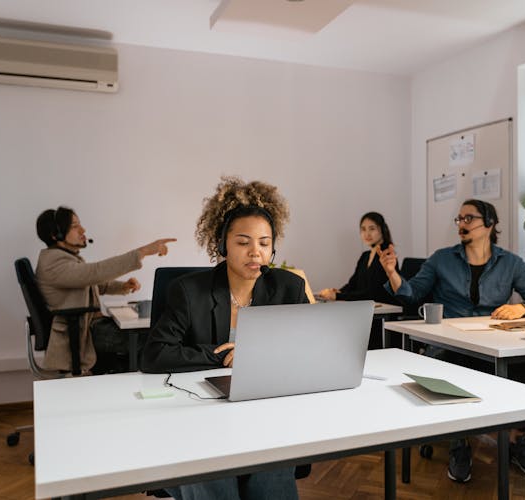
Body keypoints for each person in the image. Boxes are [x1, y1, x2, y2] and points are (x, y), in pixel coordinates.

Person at [142, 176, 306, 500]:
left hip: (262, 417)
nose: (255, 252)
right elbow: (154, 355)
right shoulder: (189, 291)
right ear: (222, 245)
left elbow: (308, 349)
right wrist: (222, 355)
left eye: (264, 242)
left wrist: (258, 356)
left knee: (270, 474)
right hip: (197, 418)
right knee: (212, 476)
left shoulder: (288, 288)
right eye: (243, 242)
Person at [378, 199, 525, 483]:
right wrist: (392, 273)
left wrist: (523, 308)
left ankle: (517, 440)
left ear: (489, 223)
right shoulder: (442, 259)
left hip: (494, 341)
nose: (461, 224)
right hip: (448, 342)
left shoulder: (511, 263)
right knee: (452, 366)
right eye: (459, 219)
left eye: (469, 218)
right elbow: (411, 293)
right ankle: (459, 443)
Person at [35, 206, 175, 375]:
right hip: (84, 333)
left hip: (89, 327)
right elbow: (94, 272)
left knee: (155, 333)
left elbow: (91, 282)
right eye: (75, 226)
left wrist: (122, 286)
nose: (83, 230)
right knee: (155, 337)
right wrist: (143, 252)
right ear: (55, 235)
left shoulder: (63, 258)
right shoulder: (53, 262)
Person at [316, 211, 400, 305]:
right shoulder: (365, 256)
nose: (367, 234)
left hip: (385, 309)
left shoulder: (386, 256)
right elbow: (353, 284)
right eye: (363, 229)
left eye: (372, 229)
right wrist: (337, 292)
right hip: (366, 307)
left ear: (382, 230)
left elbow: (373, 293)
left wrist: (338, 296)